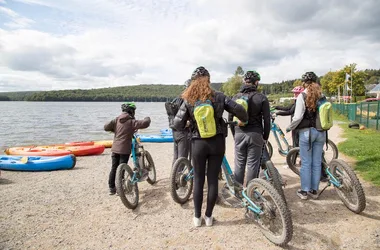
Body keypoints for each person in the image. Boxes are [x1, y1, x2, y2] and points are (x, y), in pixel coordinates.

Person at [173, 66, 247, 227]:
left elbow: (177, 123)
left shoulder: (189, 100)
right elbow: (240, 110)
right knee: (212, 179)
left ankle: (196, 218)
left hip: (198, 143)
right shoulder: (219, 96)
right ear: (209, 81)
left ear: (193, 83)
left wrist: (189, 124)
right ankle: (208, 217)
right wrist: (244, 119)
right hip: (217, 143)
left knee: (199, 179)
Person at [286, 72, 325, 200]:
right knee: (316, 162)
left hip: (306, 133)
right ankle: (314, 190)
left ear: (304, 83)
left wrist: (290, 127)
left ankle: (304, 191)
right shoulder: (322, 96)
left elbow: (297, 117)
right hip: (321, 132)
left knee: (306, 163)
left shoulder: (302, 96)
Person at [228, 70, 271, 187]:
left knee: (239, 163)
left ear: (244, 82)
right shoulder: (261, 97)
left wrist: (234, 134)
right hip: (255, 134)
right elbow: (267, 120)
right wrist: (265, 137)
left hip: (239, 133)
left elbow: (230, 118)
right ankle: (251, 192)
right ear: (256, 82)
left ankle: (238, 191)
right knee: (253, 164)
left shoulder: (236, 97)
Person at [104, 102, 151, 195]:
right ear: (131, 111)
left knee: (114, 168)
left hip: (115, 148)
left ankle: (111, 188)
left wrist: (114, 129)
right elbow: (145, 123)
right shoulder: (131, 121)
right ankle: (120, 189)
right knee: (121, 167)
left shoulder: (117, 120)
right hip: (124, 149)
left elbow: (106, 127)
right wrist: (147, 118)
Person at [166, 79, 191, 166]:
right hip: (183, 131)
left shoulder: (176, 99)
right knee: (182, 158)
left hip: (174, 131)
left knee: (176, 157)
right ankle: (177, 177)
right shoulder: (187, 100)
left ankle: (173, 177)